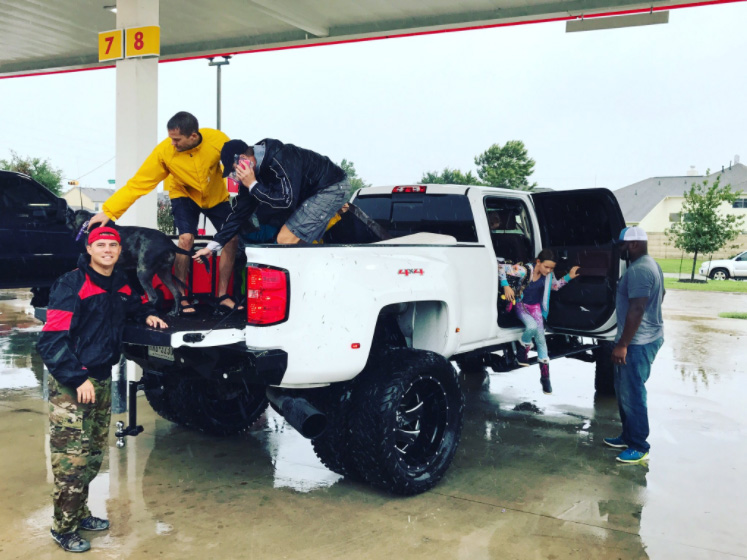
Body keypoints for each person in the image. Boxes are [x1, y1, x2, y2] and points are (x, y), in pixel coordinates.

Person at [37, 227, 168, 553]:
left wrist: (149, 314)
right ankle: (62, 528)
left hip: (100, 381)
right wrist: (77, 378)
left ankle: (80, 514)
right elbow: (51, 340)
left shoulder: (120, 283)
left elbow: (133, 306)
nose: (107, 250)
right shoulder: (73, 284)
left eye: (112, 245)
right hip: (74, 384)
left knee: (93, 456)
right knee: (71, 462)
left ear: (119, 250)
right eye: (101, 245)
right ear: (90, 249)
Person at [87, 111, 240, 314]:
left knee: (232, 238)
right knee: (185, 239)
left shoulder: (216, 140)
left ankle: (223, 296)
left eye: (177, 139)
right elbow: (138, 184)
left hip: (215, 195)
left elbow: (237, 164)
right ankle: (183, 297)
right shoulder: (164, 152)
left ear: (193, 136)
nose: (172, 143)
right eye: (170, 139)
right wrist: (109, 210)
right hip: (183, 194)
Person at [193, 138, 349, 257]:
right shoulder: (252, 174)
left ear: (242, 159)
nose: (236, 177)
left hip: (331, 186)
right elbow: (239, 214)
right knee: (290, 239)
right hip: (307, 194)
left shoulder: (279, 158)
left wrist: (254, 185)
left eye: (234, 170)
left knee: (286, 239)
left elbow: (286, 200)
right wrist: (212, 246)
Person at [604, 226, 665, 464]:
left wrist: (623, 344)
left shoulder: (640, 270)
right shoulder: (651, 264)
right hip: (642, 338)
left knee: (633, 393)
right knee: (624, 391)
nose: (618, 250)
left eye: (621, 245)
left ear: (633, 245)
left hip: (639, 342)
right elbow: (662, 295)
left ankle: (639, 445)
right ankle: (628, 436)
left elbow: (637, 308)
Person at [500, 248, 580, 394]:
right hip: (521, 305)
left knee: (541, 339)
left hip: (536, 307)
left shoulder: (548, 276)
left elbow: (555, 286)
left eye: (551, 268)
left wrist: (569, 276)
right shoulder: (524, 270)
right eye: (546, 266)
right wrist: (505, 285)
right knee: (531, 326)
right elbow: (500, 268)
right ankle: (523, 348)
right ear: (538, 262)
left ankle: (545, 378)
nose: (549, 270)